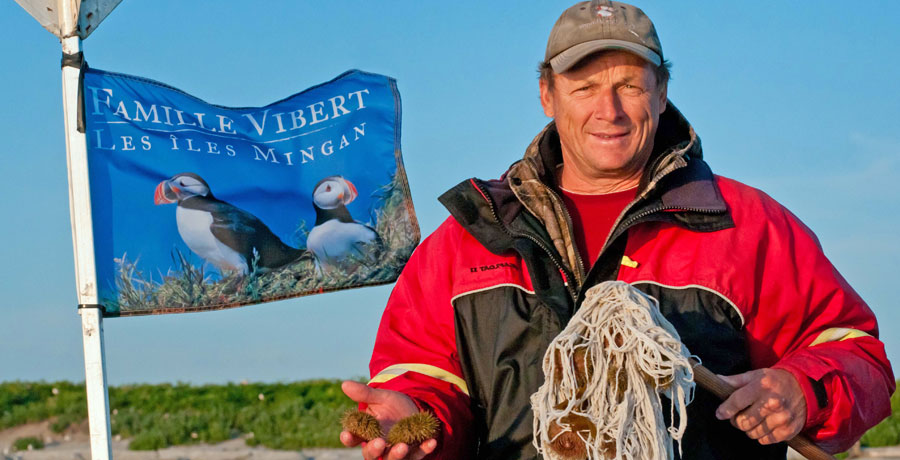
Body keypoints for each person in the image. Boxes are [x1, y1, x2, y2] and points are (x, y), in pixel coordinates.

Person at [340, 1, 895, 459]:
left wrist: (802, 389)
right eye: (583, 86)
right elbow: (423, 376)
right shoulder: (468, 238)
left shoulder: (748, 226)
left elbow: (856, 353)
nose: (610, 110)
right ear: (547, 94)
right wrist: (412, 417)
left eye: (629, 85)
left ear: (661, 91)